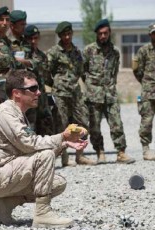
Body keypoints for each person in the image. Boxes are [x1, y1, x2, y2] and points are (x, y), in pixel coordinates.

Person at [0, 69, 88, 228]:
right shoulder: (5, 113)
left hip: (6, 171)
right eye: (33, 89)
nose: (39, 92)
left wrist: (65, 144)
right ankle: (43, 214)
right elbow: (29, 144)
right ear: (17, 93)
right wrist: (63, 136)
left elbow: (30, 150)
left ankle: (5, 203)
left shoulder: (18, 113)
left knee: (56, 183)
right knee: (46, 155)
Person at [82, 19, 135, 164]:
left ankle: (121, 152)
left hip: (110, 94)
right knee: (94, 127)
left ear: (109, 32)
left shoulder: (115, 51)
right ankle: (100, 151)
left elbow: (114, 71)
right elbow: (83, 70)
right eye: (100, 34)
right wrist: (91, 86)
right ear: (97, 35)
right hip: (94, 95)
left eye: (105, 33)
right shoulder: (89, 50)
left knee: (117, 124)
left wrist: (110, 85)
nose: (103, 36)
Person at [47, 21, 96, 166]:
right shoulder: (54, 52)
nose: (67, 37)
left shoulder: (76, 52)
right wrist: (56, 84)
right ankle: (64, 158)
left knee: (82, 122)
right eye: (64, 35)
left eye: (69, 34)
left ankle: (80, 155)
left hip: (75, 93)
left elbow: (81, 72)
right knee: (62, 125)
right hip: (60, 94)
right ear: (60, 36)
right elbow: (47, 72)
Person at [132, 22, 155, 160]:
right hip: (148, 94)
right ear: (150, 35)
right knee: (146, 122)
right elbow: (137, 70)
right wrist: (146, 83)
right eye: (154, 33)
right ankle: (146, 150)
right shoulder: (144, 51)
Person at [24, 24, 54, 136]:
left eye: (35, 38)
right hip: (29, 98)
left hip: (42, 98)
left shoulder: (42, 55)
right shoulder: (23, 55)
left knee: (47, 127)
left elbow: (47, 77)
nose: (33, 41)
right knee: (30, 129)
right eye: (30, 38)